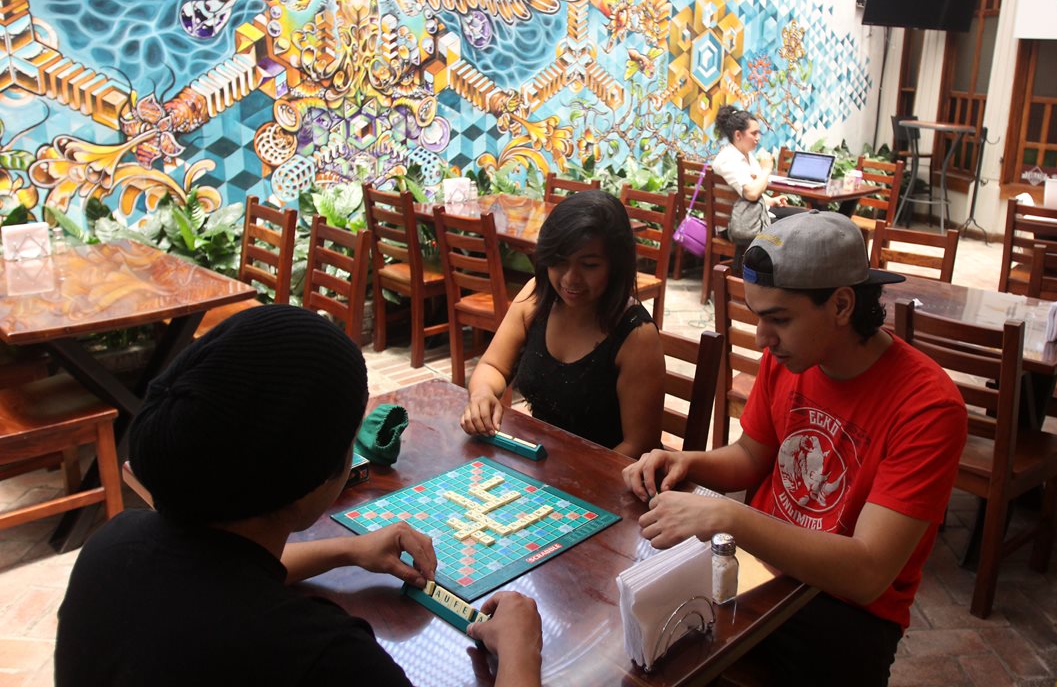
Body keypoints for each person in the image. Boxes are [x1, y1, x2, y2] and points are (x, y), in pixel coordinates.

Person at [56, 305, 542, 687]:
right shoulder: (323, 658)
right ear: (316, 484)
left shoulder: (112, 546)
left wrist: (347, 549)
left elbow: (224, 573)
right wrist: (521, 658)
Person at [623, 211, 967, 686]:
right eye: (758, 318)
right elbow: (750, 457)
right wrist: (686, 460)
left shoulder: (927, 406)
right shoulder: (792, 357)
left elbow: (867, 572)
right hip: (757, 576)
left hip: (843, 615)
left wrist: (730, 517)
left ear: (842, 305)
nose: (763, 339)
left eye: (779, 319)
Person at [460, 190, 665, 458]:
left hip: (607, 477)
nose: (570, 278)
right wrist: (483, 393)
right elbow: (493, 366)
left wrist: (573, 479)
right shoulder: (536, 297)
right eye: (559, 261)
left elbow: (639, 445)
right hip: (543, 462)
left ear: (616, 266)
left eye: (589, 265)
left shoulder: (637, 336)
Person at [710, 107, 803, 247]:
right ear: (738, 135)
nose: (757, 138)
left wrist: (770, 200)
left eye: (758, 133)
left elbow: (746, 191)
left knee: (806, 216)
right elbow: (751, 193)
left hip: (752, 216)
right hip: (738, 226)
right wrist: (766, 169)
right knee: (797, 230)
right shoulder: (729, 159)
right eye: (753, 133)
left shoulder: (746, 155)